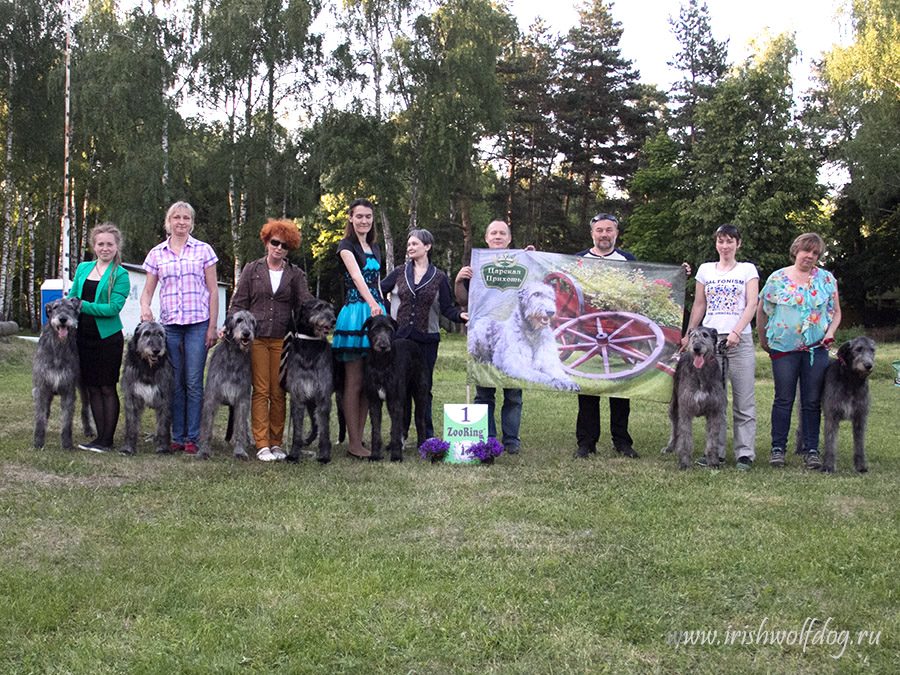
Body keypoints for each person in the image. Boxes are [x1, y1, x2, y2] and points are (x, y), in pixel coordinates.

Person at [229, 218, 313, 462]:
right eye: (275, 242)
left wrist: (314, 328)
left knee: (278, 392)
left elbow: (304, 305)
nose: (278, 248)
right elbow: (238, 303)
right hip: (255, 339)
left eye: (284, 245)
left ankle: (277, 443)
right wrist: (230, 325)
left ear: (289, 249)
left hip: (282, 340)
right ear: (266, 241)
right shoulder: (251, 270)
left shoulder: (296, 274)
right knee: (261, 390)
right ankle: (262, 443)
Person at [140, 201, 219, 455]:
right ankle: (177, 435)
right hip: (169, 328)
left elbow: (213, 291)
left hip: (198, 325)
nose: (181, 222)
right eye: (176, 218)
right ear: (168, 222)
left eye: (186, 218)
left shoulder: (203, 250)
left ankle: (193, 438)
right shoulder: (157, 254)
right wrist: (145, 307)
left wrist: (212, 326)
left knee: (194, 382)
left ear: (192, 222)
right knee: (174, 383)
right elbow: (148, 291)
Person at [757, 232, 841, 470]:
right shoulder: (777, 278)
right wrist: (763, 340)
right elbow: (762, 310)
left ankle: (811, 449)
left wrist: (829, 332)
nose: (810, 256)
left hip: (816, 350)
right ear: (796, 250)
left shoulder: (826, 280)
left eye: (815, 253)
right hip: (784, 348)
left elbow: (836, 312)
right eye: (807, 251)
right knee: (783, 398)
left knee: (812, 401)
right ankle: (778, 449)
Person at [683, 224, 759, 470]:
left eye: (730, 241)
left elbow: (751, 304)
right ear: (716, 244)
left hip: (739, 340)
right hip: (709, 343)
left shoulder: (747, 269)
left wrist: (736, 331)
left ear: (738, 243)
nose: (725, 246)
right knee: (717, 400)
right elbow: (699, 305)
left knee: (743, 399)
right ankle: (716, 452)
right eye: (721, 241)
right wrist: (689, 335)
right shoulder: (705, 270)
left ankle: (744, 453)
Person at [382, 229, 468, 439]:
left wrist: (461, 316)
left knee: (423, 389)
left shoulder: (439, 277)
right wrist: (386, 312)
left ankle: (426, 436)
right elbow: (376, 290)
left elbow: (447, 309)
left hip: (427, 341)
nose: (410, 247)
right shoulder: (399, 272)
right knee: (399, 388)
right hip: (400, 339)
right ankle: (400, 436)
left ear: (427, 247)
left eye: (415, 244)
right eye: (409, 244)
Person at [455, 219, 531, 454]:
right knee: (484, 392)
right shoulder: (476, 266)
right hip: (484, 336)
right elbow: (462, 300)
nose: (498, 236)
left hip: (514, 335)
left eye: (502, 233)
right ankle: (489, 438)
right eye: (493, 233)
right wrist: (459, 279)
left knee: (513, 393)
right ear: (487, 239)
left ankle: (511, 441)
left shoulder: (523, 263)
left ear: (509, 239)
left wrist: (533, 260)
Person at [574, 213, 640, 459]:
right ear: (592, 234)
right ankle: (586, 442)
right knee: (588, 385)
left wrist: (679, 273)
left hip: (619, 327)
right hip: (587, 326)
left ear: (616, 234)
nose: (604, 234)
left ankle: (622, 441)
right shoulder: (580, 259)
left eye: (608, 230)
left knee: (620, 388)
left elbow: (641, 287)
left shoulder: (627, 260)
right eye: (599, 230)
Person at [69, 223, 130, 452]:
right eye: (101, 244)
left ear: (116, 247)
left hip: (108, 338)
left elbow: (113, 308)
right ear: (94, 246)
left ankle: (108, 439)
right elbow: (73, 296)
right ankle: (97, 439)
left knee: (107, 387)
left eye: (109, 244)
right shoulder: (83, 268)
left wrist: (83, 305)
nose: (105, 248)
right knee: (91, 387)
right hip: (83, 337)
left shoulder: (120, 274)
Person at [332, 198, 385, 459]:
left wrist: (383, 307)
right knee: (353, 381)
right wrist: (373, 303)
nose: (364, 221)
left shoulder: (374, 246)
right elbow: (356, 277)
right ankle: (353, 443)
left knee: (368, 381)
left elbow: (377, 281)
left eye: (368, 216)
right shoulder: (346, 246)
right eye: (359, 216)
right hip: (355, 314)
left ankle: (360, 439)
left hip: (376, 314)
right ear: (351, 218)